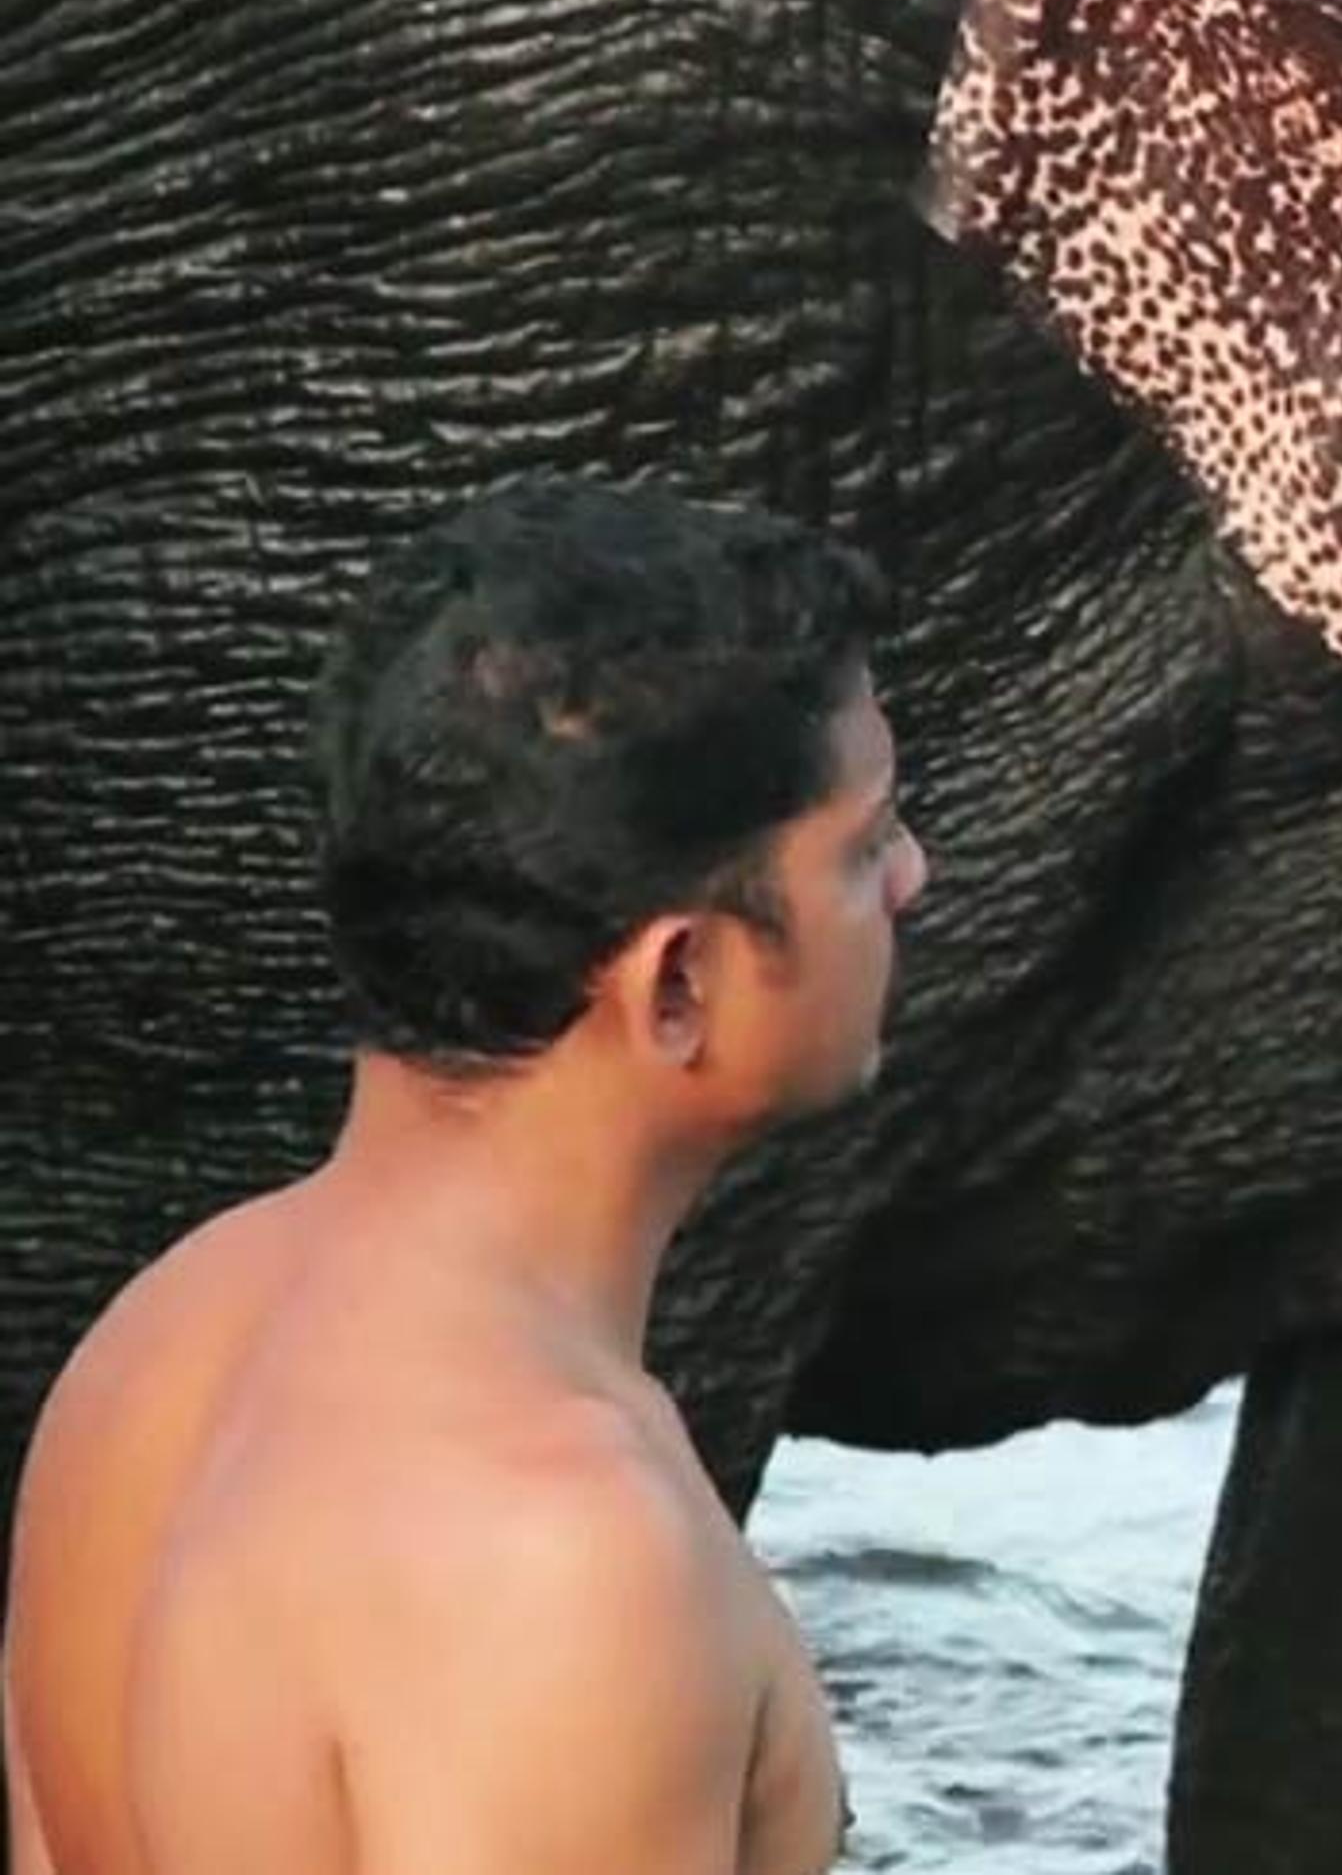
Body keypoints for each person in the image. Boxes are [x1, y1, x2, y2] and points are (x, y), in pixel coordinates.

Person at [2, 476, 927, 1875]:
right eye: (862, 847)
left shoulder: (160, 1339)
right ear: (678, 979)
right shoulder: (564, 1550)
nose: (913, 877)